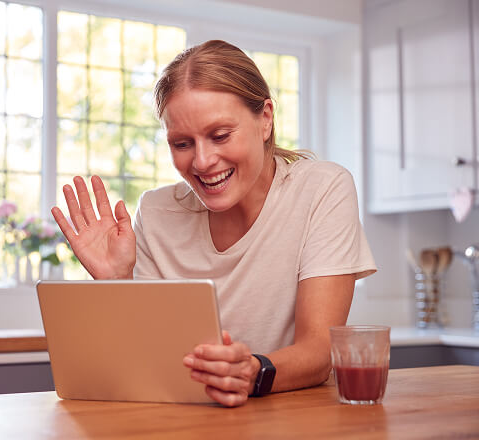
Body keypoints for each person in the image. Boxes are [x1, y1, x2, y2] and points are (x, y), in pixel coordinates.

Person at [51, 40, 377, 408]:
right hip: (186, 421)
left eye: (220, 135)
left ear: (265, 119)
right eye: (182, 143)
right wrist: (116, 285)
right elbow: (149, 366)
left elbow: (320, 350)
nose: (203, 161)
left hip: (290, 419)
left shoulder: (322, 189)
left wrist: (253, 372)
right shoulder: (157, 212)